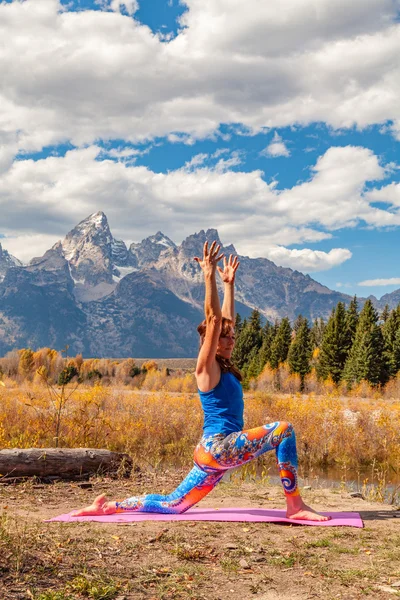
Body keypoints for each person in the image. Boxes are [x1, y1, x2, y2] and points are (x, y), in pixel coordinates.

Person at [72, 241, 329, 521]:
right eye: (224, 337)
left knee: (173, 504)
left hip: (210, 452)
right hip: (220, 447)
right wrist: (208, 277)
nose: (232, 339)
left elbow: (225, 321)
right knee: (284, 430)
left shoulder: (223, 366)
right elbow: (214, 319)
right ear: (210, 341)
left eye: (233, 336)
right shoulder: (206, 368)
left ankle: (108, 507)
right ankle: (295, 506)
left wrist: (229, 284)